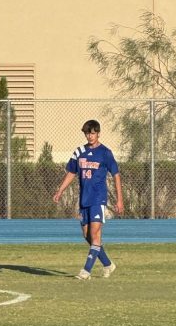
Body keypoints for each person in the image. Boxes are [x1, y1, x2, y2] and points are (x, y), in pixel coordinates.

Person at [53, 119, 124, 280]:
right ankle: (108, 264)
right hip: (84, 200)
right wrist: (60, 191)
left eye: (93, 133)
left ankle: (86, 271)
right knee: (87, 235)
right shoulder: (79, 152)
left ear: (98, 133)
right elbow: (71, 172)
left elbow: (116, 175)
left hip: (98, 199)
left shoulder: (105, 153)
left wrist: (120, 200)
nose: (90, 136)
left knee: (95, 233)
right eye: (87, 133)